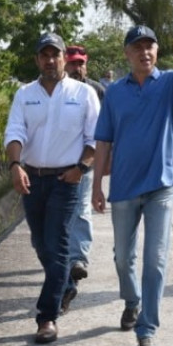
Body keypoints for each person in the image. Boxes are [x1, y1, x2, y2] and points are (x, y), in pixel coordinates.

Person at [92, 25, 173, 346]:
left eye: (150, 46)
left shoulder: (169, 83)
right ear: (127, 53)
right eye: (137, 47)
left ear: (156, 51)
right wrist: (97, 184)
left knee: (156, 260)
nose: (144, 52)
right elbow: (103, 140)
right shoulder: (115, 92)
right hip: (124, 187)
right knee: (122, 258)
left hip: (161, 186)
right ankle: (132, 301)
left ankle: (147, 329)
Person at [3, 33, 100, 343]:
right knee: (40, 244)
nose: (49, 60)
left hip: (65, 180)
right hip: (32, 178)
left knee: (57, 245)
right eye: (44, 55)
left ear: (63, 58)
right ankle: (66, 286)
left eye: (55, 55)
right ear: (37, 60)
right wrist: (15, 165)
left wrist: (81, 169)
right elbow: (15, 131)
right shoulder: (25, 94)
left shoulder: (84, 93)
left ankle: (47, 317)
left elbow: (95, 138)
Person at [63, 44, 104, 290]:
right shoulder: (54, 90)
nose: (76, 68)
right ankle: (62, 256)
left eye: (80, 63)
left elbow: (109, 125)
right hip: (56, 162)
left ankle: (78, 259)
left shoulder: (96, 90)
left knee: (80, 208)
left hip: (85, 160)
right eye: (72, 63)